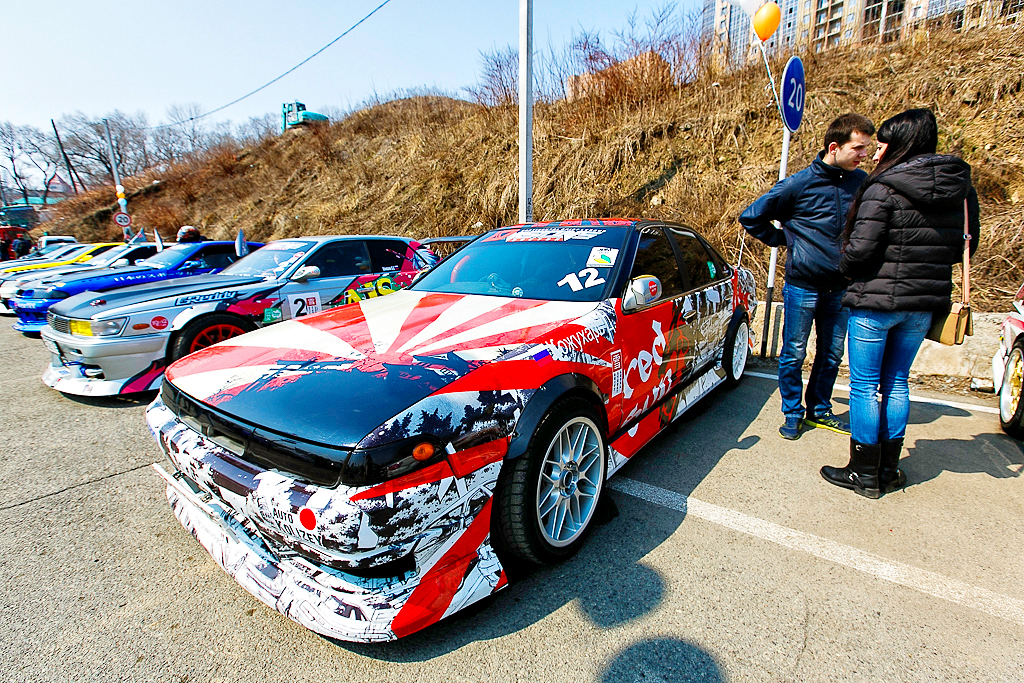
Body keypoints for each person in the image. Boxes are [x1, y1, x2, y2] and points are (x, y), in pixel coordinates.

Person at [821, 108, 980, 498]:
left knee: (862, 386)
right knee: (897, 383)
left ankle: (863, 473)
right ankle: (888, 471)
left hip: (875, 303)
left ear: (901, 145)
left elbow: (858, 253)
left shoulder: (883, 187)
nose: (875, 154)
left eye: (883, 144)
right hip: (923, 305)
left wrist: (842, 265)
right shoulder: (961, 189)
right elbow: (968, 244)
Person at [740, 113, 875, 440]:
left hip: (842, 288)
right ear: (834, 147)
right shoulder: (799, 184)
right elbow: (752, 217)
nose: (864, 155)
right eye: (858, 148)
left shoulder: (863, 184)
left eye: (866, 148)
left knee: (831, 354)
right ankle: (792, 412)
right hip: (802, 286)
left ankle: (819, 408)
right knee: (794, 353)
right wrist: (787, 240)